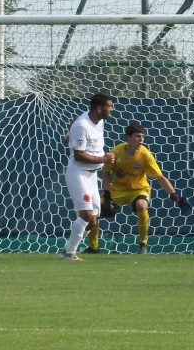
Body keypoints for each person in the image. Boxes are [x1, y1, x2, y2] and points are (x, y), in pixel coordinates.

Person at [83, 123, 192, 254]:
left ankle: (143, 245)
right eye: (137, 136)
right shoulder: (116, 152)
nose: (141, 140)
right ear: (128, 137)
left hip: (139, 189)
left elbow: (160, 177)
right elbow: (106, 173)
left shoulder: (145, 155)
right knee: (95, 211)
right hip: (117, 190)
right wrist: (106, 195)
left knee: (141, 206)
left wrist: (175, 196)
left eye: (143, 137)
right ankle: (94, 247)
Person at [59, 93, 116, 261]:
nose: (112, 109)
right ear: (99, 108)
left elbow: (68, 141)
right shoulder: (82, 125)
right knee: (86, 216)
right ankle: (69, 253)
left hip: (92, 176)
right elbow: (78, 155)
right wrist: (103, 159)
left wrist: (69, 135)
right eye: (109, 106)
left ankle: (69, 249)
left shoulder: (99, 122)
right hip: (79, 174)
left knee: (93, 220)